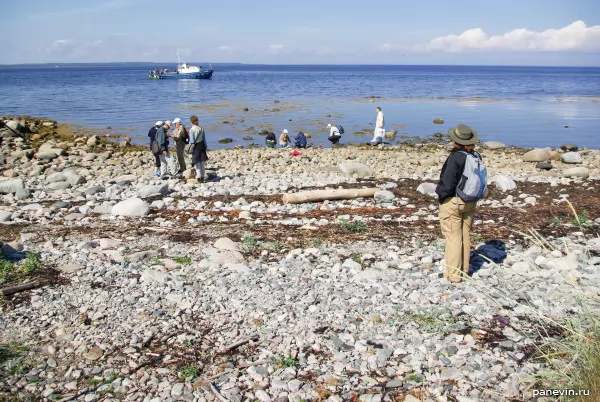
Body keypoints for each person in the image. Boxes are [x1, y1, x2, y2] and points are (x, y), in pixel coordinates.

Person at [435, 124, 484, 283]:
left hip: (454, 202)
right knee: (464, 235)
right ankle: (464, 270)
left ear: (456, 141)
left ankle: (454, 275)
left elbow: (447, 184)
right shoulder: (475, 155)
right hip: (471, 201)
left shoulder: (456, 157)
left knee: (453, 237)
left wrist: (441, 196)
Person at [189, 115, 208, 182]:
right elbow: (204, 139)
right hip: (202, 145)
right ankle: (203, 175)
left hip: (196, 146)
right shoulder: (201, 129)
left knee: (197, 161)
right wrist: (206, 146)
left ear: (191, 122)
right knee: (202, 161)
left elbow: (192, 141)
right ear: (197, 121)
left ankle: (199, 176)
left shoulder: (192, 130)